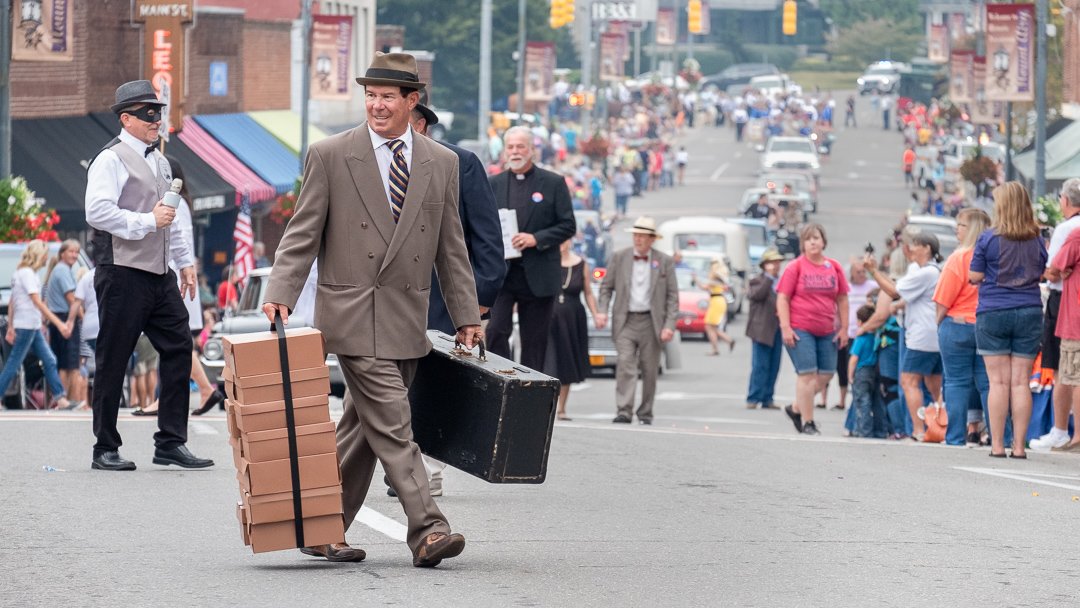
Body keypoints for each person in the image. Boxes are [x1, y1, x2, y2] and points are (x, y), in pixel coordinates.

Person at [261, 52, 481, 566]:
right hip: (352, 315)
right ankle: (428, 527)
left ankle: (322, 526)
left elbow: (452, 246)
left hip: (407, 319)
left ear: (412, 101)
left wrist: (467, 315)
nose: (377, 106)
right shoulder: (332, 154)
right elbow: (302, 233)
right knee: (394, 423)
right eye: (371, 95)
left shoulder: (441, 162)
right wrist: (281, 291)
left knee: (363, 429)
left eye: (388, 97)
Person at [379, 90, 505, 498]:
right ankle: (401, 464)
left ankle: (426, 467)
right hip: (389, 296)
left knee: (431, 381)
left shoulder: (460, 163)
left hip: (441, 296)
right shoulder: (375, 161)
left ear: (420, 122)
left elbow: (485, 237)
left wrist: (479, 299)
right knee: (390, 383)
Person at [84, 80, 209, 472]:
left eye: (157, 113)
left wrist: (184, 261)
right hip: (121, 273)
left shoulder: (159, 161)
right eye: (147, 114)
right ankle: (105, 446)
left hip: (159, 273)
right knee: (113, 358)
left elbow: (169, 218)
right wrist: (145, 221)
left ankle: (170, 441)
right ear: (126, 118)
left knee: (179, 348)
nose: (156, 120)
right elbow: (97, 212)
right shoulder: (110, 159)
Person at [486, 125, 576, 371]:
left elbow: (568, 225)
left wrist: (536, 238)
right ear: (504, 151)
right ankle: (501, 382)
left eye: (520, 147)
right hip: (502, 275)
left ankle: (529, 397)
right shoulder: (492, 183)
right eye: (510, 147)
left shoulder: (553, 183)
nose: (515, 152)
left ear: (532, 150)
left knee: (534, 343)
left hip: (538, 274)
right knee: (494, 332)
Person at [970, 182, 1047, 458]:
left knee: (998, 383)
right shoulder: (1036, 238)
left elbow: (975, 276)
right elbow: (1041, 272)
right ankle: (1019, 448)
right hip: (1028, 310)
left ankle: (998, 445)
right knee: (1020, 382)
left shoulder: (988, 239)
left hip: (993, 311)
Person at [596, 217, 679, 425]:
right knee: (625, 364)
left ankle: (646, 412)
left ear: (652, 239)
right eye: (636, 235)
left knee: (650, 369)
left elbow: (672, 297)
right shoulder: (619, 257)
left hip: (652, 322)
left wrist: (669, 326)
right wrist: (602, 311)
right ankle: (624, 410)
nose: (638, 239)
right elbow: (606, 288)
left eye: (643, 236)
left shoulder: (664, 261)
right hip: (626, 320)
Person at [162, 157, 225, 417]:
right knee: (170, 341)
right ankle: (198, 389)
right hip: (176, 276)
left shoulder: (176, 204)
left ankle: (203, 388)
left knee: (173, 340)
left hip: (176, 279)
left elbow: (178, 242)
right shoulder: (181, 204)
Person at [869, 231, 944, 441]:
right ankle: (941, 426)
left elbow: (894, 291)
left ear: (927, 248)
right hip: (932, 335)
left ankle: (919, 430)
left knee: (909, 381)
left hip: (921, 336)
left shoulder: (926, 272)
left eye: (915, 245)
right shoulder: (930, 271)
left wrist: (874, 271)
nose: (910, 249)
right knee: (934, 386)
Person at [777, 223, 850, 436]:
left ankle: (796, 407)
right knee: (807, 375)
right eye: (808, 239)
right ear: (803, 244)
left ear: (823, 241)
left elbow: (843, 298)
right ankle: (808, 422)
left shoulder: (834, 267)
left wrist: (844, 328)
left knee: (826, 374)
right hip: (801, 328)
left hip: (828, 328)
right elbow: (783, 298)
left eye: (816, 238)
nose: (813, 242)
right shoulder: (795, 267)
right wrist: (786, 327)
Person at [932, 208, 993, 446]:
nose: (956, 229)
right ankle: (1000, 437)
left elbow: (943, 300)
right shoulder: (993, 258)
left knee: (957, 382)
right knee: (989, 384)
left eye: (961, 225)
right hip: (986, 325)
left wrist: (939, 324)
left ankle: (955, 437)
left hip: (957, 324)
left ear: (971, 229)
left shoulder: (959, 258)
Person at [1030, 178, 1080, 451]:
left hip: (1065, 301)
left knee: (1063, 368)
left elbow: (1052, 270)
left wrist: (1060, 271)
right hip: (1069, 299)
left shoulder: (1068, 230)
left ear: (1066, 201)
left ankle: (1061, 429)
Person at [0, 240, 74, 410]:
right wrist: (59, 324)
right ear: (38, 255)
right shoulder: (26, 273)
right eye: (45, 255)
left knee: (49, 359)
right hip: (26, 325)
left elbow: (12, 302)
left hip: (31, 325)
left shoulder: (24, 273)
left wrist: (11, 326)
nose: (46, 259)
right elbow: (36, 302)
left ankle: (60, 399)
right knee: (13, 364)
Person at [544, 239, 602, 421]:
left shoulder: (580, 263)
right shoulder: (546, 261)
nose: (560, 243)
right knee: (548, 360)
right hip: (547, 317)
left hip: (572, 318)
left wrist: (597, 313)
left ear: (569, 241)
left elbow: (589, 292)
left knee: (567, 360)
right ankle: (547, 406)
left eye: (564, 239)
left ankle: (562, 409)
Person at [820, 261, 878, 410]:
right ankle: (824, 399)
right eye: (858, 271)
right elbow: (838, 307)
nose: (862, 274)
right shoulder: (847, 288)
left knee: (852, 366)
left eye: (864, 271)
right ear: (851, 273)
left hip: (862, 333)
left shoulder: (872, 287)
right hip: (845, 332)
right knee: (835, 365)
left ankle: (845, 400)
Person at [1047, 223, 1080, 450]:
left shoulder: (1076, 235)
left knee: (1076, 378)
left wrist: (1064, 270)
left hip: (1076, 317)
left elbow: (1053, 269)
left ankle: (1078, 435)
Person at [745, 249, 785, 410]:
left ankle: (768, 397)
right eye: (772, 262)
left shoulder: (782, 281)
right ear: (764, 265)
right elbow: (758, 295)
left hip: (778, 327)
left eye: (777, 262)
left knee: (774, 365)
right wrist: (768, 278)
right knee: (760, 365)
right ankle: (754, 397)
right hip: (761, 329)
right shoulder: (757, 281)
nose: (775, 266)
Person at [43, 239, 82, 400]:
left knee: (64, 363)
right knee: (70, 365)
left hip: (58, 320)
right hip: (65, 319)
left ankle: (63, 399)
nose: (74, 255)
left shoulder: (60, 270)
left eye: (76, 252)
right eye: (71, 251)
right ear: (62, 254)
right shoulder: (63, 270)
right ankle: (69, 401)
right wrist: (83, 318)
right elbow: (72, 299)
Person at [848, 304, 887, 438]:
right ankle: (880, 430)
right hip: (874, 370)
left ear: (860, 322)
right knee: (877, 401)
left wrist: (850, 375)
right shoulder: (876, 337)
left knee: (862, 401)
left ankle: (864, 430)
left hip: (862, 371)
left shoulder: (861, 338)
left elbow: (854, 358)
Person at [702, 257, 736, 355]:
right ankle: (724, 343)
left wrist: (696, 280)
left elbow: (705, 287)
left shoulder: (715, 276)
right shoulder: (720, 276)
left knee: (710, 326)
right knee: (711, 326)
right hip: (717, 301)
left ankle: (719, 346)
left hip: (717, 301)